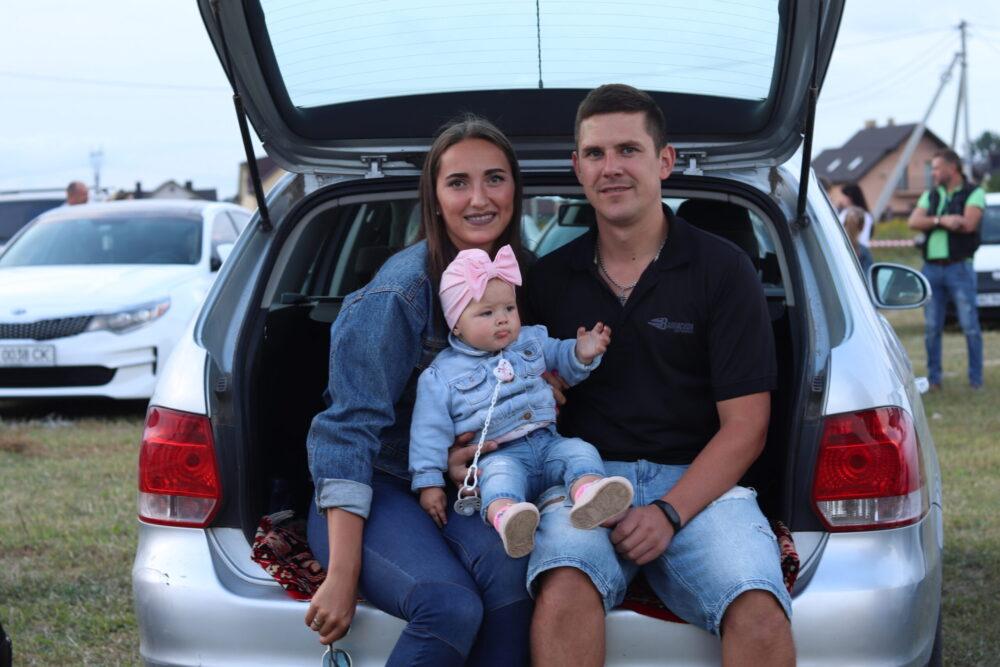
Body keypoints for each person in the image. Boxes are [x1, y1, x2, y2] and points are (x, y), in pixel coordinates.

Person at [526, 84, 794, 666]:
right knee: (564, 589)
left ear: (664, 160)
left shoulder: (725, 270)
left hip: (702, 485)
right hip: (583, 480)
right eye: (595, 153)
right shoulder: (545, 280)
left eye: (628, 149)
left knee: (758, 610)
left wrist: (668, 512)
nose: (611, 168)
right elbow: (512, 391)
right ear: (577, 167)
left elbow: (747, 426)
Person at [303, 115, 533, 666]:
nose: (479, 198)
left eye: (494, 178)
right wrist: (342, 575)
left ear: (515, 189)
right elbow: (346, 434)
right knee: (448, 605)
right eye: (458, 182)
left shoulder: (520, 279)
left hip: (458, 487)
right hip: (376, 485)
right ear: (434, 197)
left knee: (515, 580)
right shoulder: (400, 293)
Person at [409, 244, 632, 558]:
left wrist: (581, 352)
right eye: (487, 313)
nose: (502, 320)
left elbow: (562, 361)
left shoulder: (532, 340)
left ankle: (590, 495)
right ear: (456, 324)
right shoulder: (442, 375)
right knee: (498, 479)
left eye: (509, 309)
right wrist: (429, 483)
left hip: (548, 442)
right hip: (500, 454)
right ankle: (508, 518)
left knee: (580, 451)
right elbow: (428, 433)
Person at [907, 149, 985, 390]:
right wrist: (943, 221)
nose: (933, 173)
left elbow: (968, 224)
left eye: (937, 168)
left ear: (953, 168)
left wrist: (932, 222)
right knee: (932, 328)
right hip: (931, 269)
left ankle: (975, 380)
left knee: (970, 326)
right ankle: (934, 380)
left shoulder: (974, 192)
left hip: (959, 267)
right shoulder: (931, 194)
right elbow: (913, 221)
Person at [836, 183, 874, 273]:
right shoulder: (866, 216)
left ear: (851, 197)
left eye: (844, 196)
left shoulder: (843, 214)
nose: (842, 199)